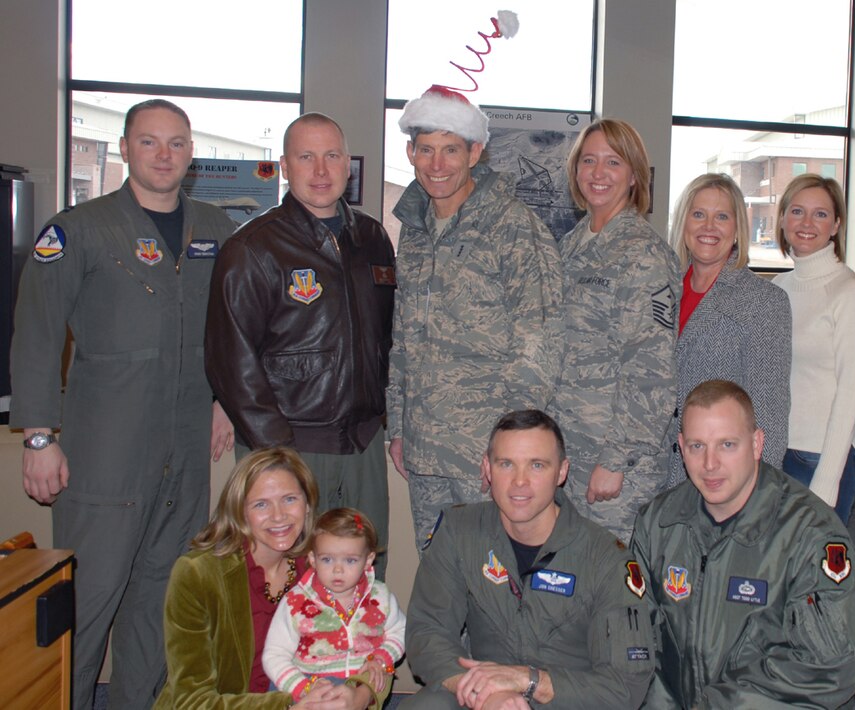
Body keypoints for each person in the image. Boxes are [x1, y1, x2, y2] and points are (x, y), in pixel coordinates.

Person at [9, 99, 237, 709]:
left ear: (191, 154)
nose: (164, 155)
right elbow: (37, 333)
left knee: (161, 607)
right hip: (103, 453)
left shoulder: (216, 228)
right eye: (149, 142)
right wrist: (38, 436)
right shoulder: (78, 229)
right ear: (125, 148)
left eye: (176, 143)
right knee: (86, 605)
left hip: (184, 453)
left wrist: (225, 399)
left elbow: (233, 325)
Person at [205, 113, 396, 577]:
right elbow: (232, 361)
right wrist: (279, 456)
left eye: (332, 156)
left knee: (364, 578)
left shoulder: (372, 239)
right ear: (285, 167)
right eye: (306, 157)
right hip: (290, 443)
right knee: (286, 581)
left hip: (363, 445)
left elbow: (389, 339)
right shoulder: (252, 247)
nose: (321, 170)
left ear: (348, 164)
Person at [387, 86, 563, 550]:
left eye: (450, 150)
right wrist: (399, 428)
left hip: (485, 454)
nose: (437, 164)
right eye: (426, 150)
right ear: (410, 153)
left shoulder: (513, 226)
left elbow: (538, 344)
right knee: (439, 575)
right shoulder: (415, 229)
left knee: (495, 579)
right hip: (426, 452)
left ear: (475, 152)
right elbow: (403, 338)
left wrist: (512, 451)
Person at [632, 380, 855, 707]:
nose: (710, 464)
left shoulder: (812, 537)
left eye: (727, 445)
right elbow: (636, 638)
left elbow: (829, 667)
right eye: (697, 446)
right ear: (682, 447)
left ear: (756, 444)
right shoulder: (657, 523)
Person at [402, 409, 655, 710]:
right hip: (487, 699)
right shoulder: (459, 532)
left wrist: (529, 681)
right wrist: (485, 692)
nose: (519, 482)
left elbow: (626, 686)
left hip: (567, 701)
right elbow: (427, 633)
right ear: (487, 468)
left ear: (561, 472)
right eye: (506, 464)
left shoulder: (605, 558)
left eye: (537, 465)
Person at [156, 447, 386, 709]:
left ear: (307, 504)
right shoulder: (197, 574)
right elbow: (191, 701)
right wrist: (291, 705)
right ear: (240, 511)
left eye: (289, 499)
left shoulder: (324, 565)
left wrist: (361, 695)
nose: (279, 516)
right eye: (261, 504)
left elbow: (378, 643)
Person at [548, 118, 680, 542]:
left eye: (613, 162)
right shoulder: (570, 246)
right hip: (567, 451)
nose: (598, 173)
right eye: (588, 161)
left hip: (614, 462)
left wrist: (616, 460)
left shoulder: (642, 254)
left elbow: (651, 369)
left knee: (613, 574)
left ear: (635, 175)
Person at [665, 173, 791, 491]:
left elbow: (769, 412)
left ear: (737, 230)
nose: (709, 227)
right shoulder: (662, 290)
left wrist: (759, 496)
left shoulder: (764, 301)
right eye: (698, 214)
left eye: (721, 217)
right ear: (683, 223)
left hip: (719, 476)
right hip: (652, 474)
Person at [772, 174, 855, 524]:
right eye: (797, 211)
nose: (806, 223)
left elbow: (852, 392)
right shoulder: (778, 286)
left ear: (836, 225)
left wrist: (827, 481)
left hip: (822, 457)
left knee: (817, 558)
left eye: (820, 214)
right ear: (782, 218)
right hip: (776, 450)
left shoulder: (848, 292)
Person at [263, 508, 405, 701]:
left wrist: (381, 657)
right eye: (327, 559)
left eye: (350, 560)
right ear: (313, 559)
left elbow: (400, 631)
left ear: (368, 561)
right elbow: (274, 655)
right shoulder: (295, 602)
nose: (338, 569)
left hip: (359, 679)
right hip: (307, 682)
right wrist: (303, 688)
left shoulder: (380, 597)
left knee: (379, 681)